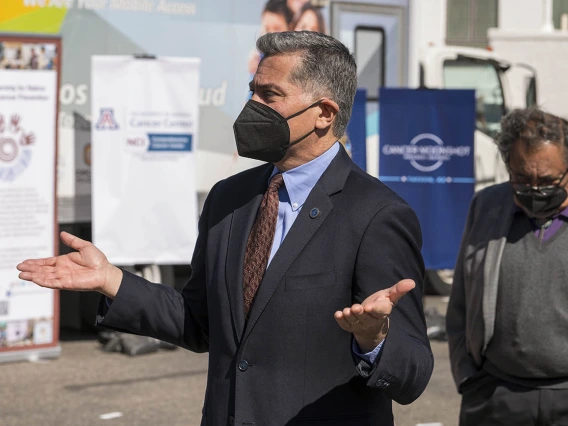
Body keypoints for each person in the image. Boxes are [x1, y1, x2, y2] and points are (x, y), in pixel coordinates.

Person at [18, 31, 433, 426]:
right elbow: (199, 322)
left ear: (324, 113)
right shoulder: (229, 199)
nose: (251, 104)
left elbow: (413, 372)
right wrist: (112, 282)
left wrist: (375, 339)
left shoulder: (377, 214)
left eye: (269, 95)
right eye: (252, 90)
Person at [447, 108, 568, 426]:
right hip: (496, 396)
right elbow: (460, 301)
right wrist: (467, 378)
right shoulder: (486, 207)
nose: (535, 189)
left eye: (548, 180)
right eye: (522, 179)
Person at [247, 0, 293, 76]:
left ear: (290, 28)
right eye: (267, 28)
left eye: (277, 28)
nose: (270, 35)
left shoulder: (295, 60)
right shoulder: (258, 59)